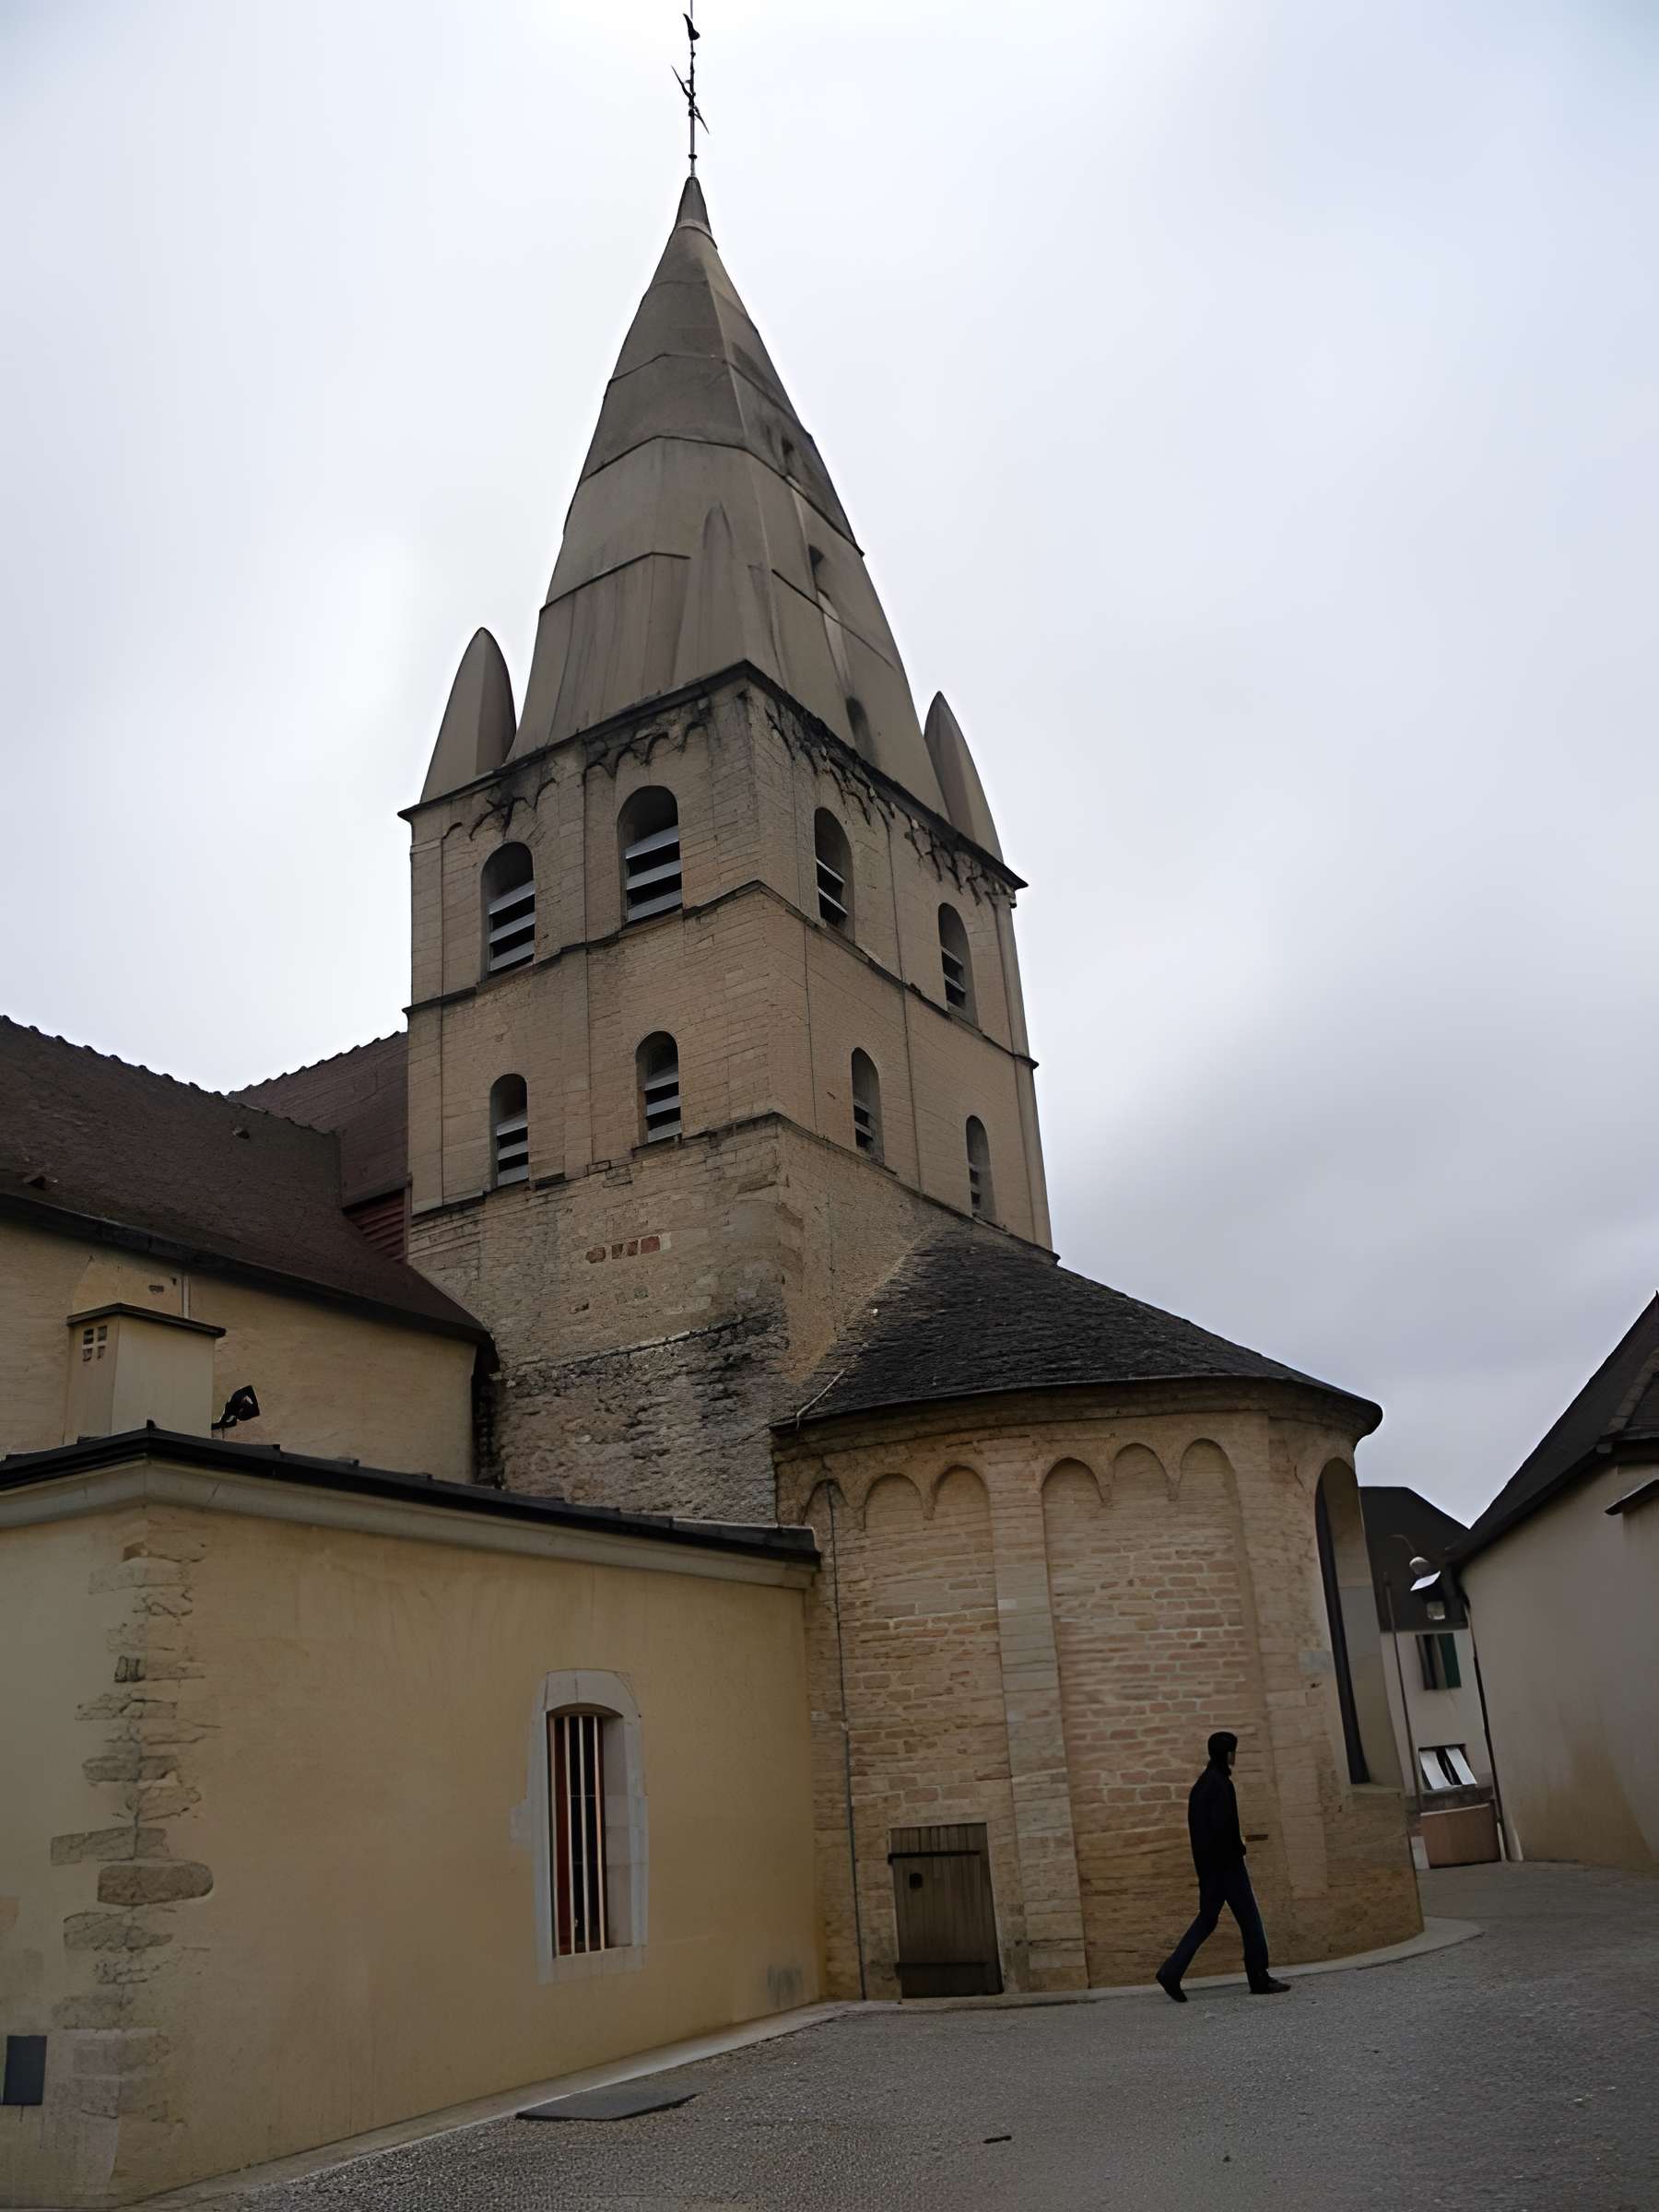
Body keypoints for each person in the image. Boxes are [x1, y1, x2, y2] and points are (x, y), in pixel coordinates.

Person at [1157, 1730, 1290, 2001]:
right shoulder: (1220, 1784)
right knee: (1250, 1920)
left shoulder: (1203, 1784)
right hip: (1227, 1867)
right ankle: (1259, 1977)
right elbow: (1223, 1828)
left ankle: (1171, 1972)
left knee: (1207, 1919)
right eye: (1234, 1751)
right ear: (1228, 1753)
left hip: (1209, 1868)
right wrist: (1239, 1850)